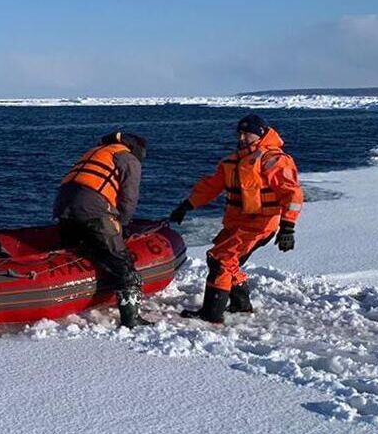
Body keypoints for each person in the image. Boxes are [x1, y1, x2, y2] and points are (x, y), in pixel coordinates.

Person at [168, 114, 303, 323]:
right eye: (239, 133)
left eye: (246, 134)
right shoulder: (231, 161)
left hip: (260, 225)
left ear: (259, 134)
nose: (241, 138)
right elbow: (211, 186)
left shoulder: (273, 160)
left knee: (222, 260)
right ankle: (240, 304)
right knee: (219, 259)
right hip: (236, 224)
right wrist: (187, 205)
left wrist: (288, 227)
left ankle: (211, 314)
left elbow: (291, 194)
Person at [53, 131, 150, 328]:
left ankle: (67, 297)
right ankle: (131, 318)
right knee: (121, 260)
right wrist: (121, 225)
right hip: (92, 208)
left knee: (76, 247)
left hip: (63, 205)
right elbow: (128, 199)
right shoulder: (128, 158)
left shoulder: (96, 151)